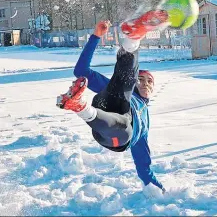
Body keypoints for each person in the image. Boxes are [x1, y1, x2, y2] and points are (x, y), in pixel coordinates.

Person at [57, 20, 165, 193]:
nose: (145, 83)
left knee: (123, 123)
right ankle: (132, 42)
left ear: (153, 88)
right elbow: (81, 71)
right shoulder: (129, 90)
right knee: (124, 84)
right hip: (107, 103)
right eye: (141, 80)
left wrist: (158, 189)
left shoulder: (144, 122)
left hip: (116, 137)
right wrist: (96, 36)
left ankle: (82, 108)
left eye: (150, 81)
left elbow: (143, 165)